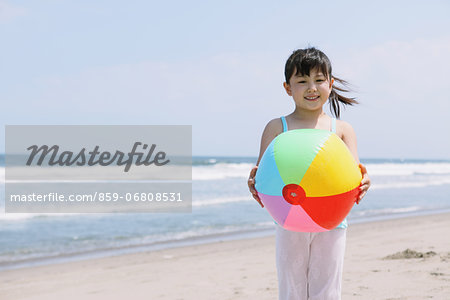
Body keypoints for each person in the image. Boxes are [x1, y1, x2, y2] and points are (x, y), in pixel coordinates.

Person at [247, 47, 371, 300]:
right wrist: (254, 183)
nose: (311, 88)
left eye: (318, 80)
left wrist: (365, 181)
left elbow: (354, 174)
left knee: (327, 286)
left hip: (332, 218)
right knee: (291, 286)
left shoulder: (342, 129)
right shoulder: (276, 127)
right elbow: (264, 175)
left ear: (330, 83)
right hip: (289, 216)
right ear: (288, 88)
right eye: (302, 81)